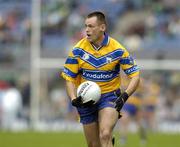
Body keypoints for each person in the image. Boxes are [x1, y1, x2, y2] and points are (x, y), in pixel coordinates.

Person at [61, 11, 140, 147]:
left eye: (91, 26)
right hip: (86, 99)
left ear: (102, 28)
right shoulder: (77, 50)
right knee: (93, 144)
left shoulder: (118, 49)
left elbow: (135, 76)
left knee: (105, 134)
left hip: (109, 97)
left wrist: (125, 95)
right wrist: (74, 99)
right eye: (86, 26)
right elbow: (69, 78)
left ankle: (108, 140)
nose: (87, 30)